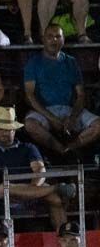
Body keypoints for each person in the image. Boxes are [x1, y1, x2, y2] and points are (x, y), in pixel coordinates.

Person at [0, 106, 71, 231]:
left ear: (15, 130)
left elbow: (40, 172)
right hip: (4, 195)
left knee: (55, 199)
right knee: (4, 188)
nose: (4, 133)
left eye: (8, 129)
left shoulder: (28, 148)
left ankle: (65, 238)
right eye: (0, 129)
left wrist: (30, 191)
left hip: (33, 194)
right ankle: (56, 187)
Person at [22, 24, 100, 156]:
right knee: (30, 124)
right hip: (44, 111)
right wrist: (52, 118)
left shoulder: (71, 62)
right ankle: (60, 150)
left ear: (63, 39)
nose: (54, 40)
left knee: (98, 125)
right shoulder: (34, 62)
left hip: (69, 109)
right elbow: (29, 95)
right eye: (50, 37)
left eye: (58, 36)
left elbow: (81, 95)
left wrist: (73, 117)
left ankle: (71, 148)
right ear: (43, 39)